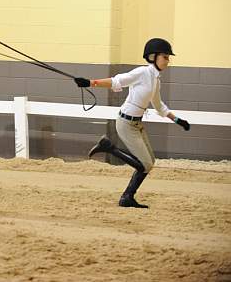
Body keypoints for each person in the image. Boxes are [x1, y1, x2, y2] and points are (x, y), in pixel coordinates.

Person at [74, 38, 190, 208]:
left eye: (167, 57)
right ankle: (109, 148)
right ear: (153, 56)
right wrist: (90, 83)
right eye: (165, 57)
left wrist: (178, 120)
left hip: (137, 125)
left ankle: (127, 197)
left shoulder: (156, 80)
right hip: (125, 123)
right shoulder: (143, 73)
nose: (167, 60)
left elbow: (159, 106)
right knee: (145, 164)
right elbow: (117, 81)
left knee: (149, 163)